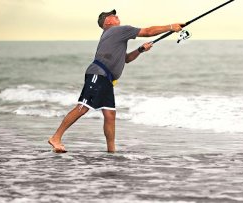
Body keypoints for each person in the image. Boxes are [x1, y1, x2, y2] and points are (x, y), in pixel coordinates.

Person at [48, 9, 184, 153]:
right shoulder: (118, 30)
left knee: (110, 115)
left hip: (106, 79)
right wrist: (171, 27)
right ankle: (56, 138)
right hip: (98, 74)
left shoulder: (114, 35)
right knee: (83, 107)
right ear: (107, 21)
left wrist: (140, 50)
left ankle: (111, 152)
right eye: (112, 15)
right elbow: (148, 31)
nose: (117, 16)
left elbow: (126, 59)